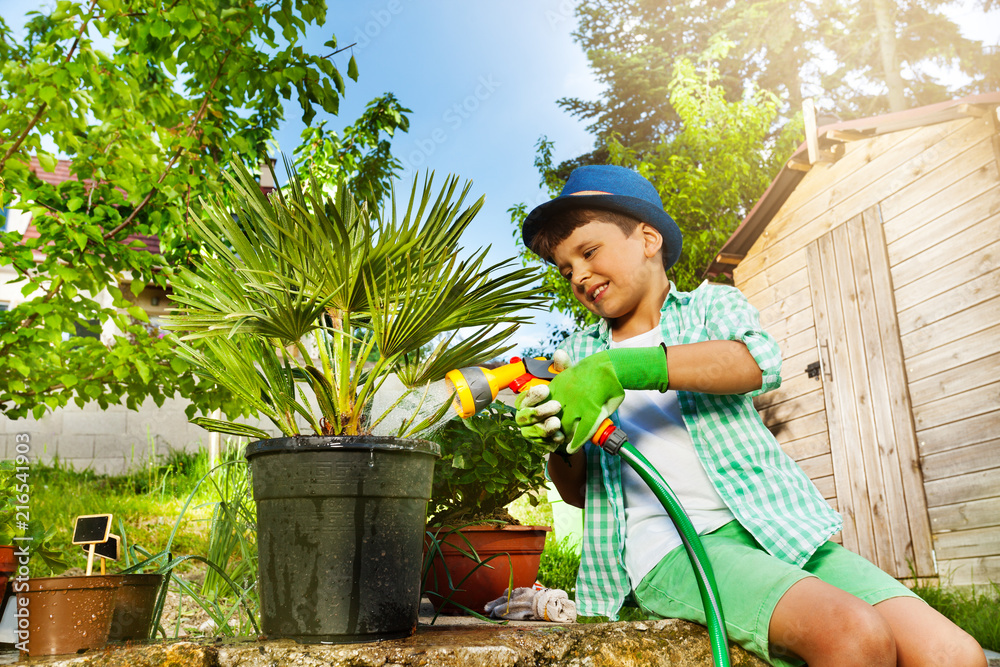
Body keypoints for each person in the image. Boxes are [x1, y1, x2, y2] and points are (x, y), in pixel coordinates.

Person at [514, 164, 985, 667]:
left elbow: (753, 363)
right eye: (566, 270)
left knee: (954, 654)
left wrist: (626, 365)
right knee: (852, 636)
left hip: (774, 528)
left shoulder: (710, 308)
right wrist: (558, 438)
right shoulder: (574, 357)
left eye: (588, 252)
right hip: (676, 547)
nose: (579, 276)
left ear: (648, 238)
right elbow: (578, 493)